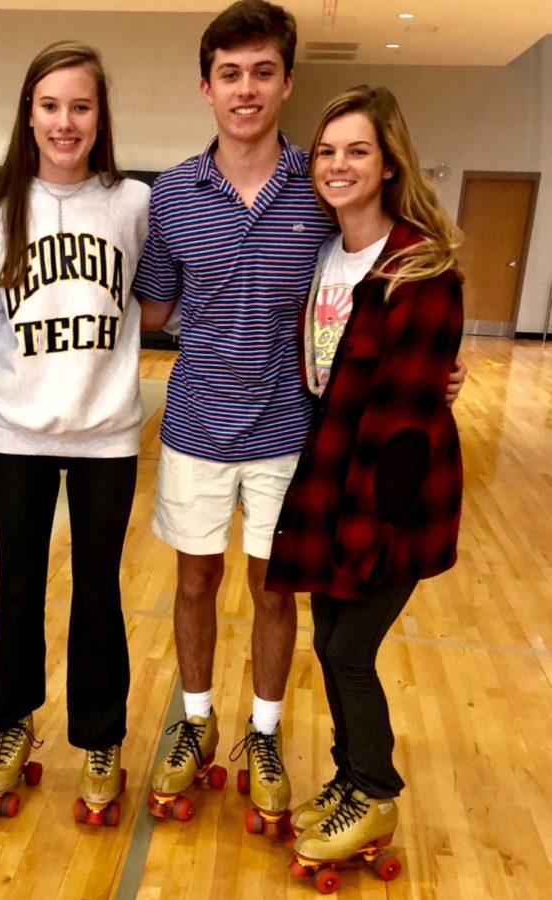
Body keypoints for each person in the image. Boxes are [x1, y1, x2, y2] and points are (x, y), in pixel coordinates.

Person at [135, 0, 465, 829]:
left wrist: (438, 364)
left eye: (263, 72)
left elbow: (393, 258)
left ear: (285, 82)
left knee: (274, 588)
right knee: (195, 579)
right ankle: (197, 721)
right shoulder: (171, 196)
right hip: (195, 428)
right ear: (205, 87)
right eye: (229, 74)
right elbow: (148, 313)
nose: (246, 89)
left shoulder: (318, 188)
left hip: (293, 433)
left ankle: (267, 733)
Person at [0, 40, 150, 821]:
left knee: (97, 592)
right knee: (18, 590)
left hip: (106, 435)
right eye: (51, 106)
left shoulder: (134, 204)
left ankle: (100, 738)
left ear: (100, 117)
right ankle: (11, 726)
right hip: (18, 433)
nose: (66, 122)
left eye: (81, 106)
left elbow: (159, 305)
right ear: (29, 114)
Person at [266, 85, 463, 876]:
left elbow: (406, 424)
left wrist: (370, 528)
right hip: (329, 470)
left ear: (388, 165)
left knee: (349, 649)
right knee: (327, 637)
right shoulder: (325, 252)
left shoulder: (420, 266)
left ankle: (376, 793)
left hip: (392, 496)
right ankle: (350, 778)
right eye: (327, 151)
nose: (339, 165)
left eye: (358, 151)